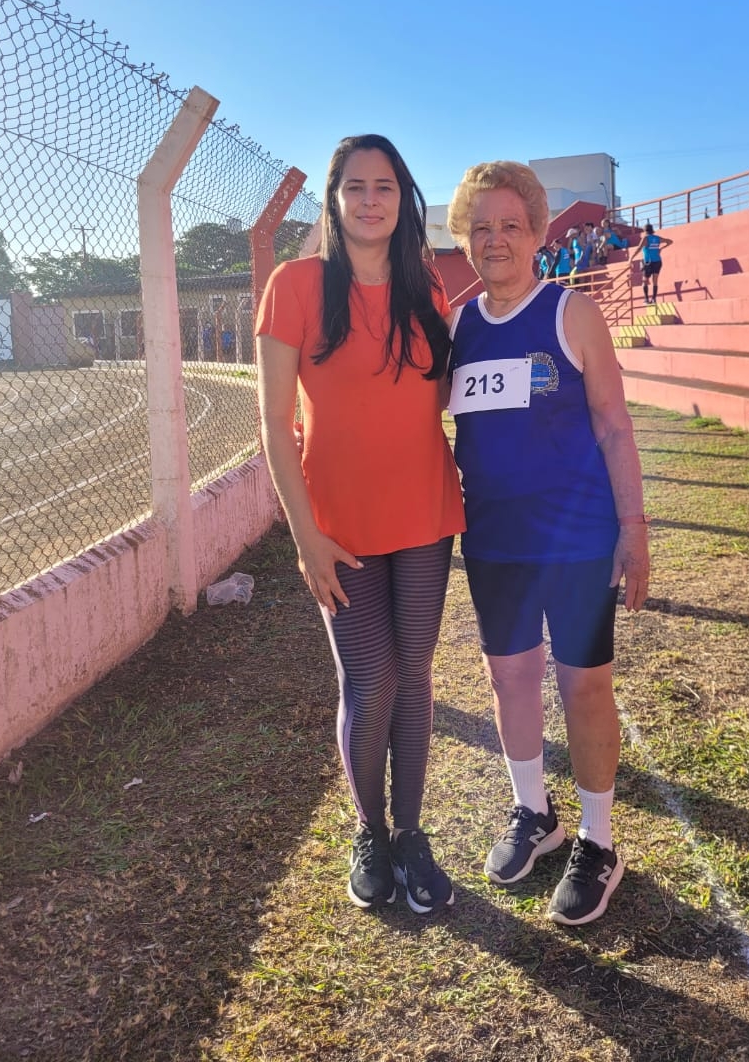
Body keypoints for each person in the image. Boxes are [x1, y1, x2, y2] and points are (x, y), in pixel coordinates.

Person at [256, 134, 465, 915]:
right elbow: (274, 423)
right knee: (370, 680)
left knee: (414, 674)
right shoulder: (295, 284)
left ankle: (410, 833)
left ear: (403, 199)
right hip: (337, 523)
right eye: (355, 186)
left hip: (424, 512)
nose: (370, 200)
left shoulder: (426, 286)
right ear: (334, 198)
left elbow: (437, 398)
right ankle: (370, 831)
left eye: (385, 187)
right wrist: (304, 535)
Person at [446, 161, 650, 926]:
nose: (495, 240)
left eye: (510, 225)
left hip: (576, 538)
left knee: (582, 684)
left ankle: (598, 841)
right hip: (493, 542)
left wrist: (634, 529)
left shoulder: (571, 313)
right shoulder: (458, 328)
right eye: (480, 228)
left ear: (537, 234)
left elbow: (614, 426)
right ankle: (534, 813)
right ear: (464, 239)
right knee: (510, 678)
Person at [630, 222, 672, 305]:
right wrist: (661, 248)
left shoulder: (646, 238)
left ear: (645, 230)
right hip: (657, 261)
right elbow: (670, 241)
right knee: (655, 281)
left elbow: (639, 248)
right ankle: (653, 299)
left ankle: (646, 299)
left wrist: (631, 258)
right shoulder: (657, 238)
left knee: (645, 281)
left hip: (648, 262)